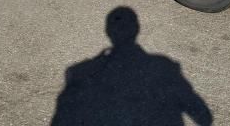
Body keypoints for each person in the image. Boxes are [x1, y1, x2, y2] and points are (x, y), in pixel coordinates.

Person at [51, 7, 213, 126]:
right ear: (137, 29)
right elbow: (202, 113)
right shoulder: (164, 66)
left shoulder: (82, 72)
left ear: (108, 32)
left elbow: (63, 117)